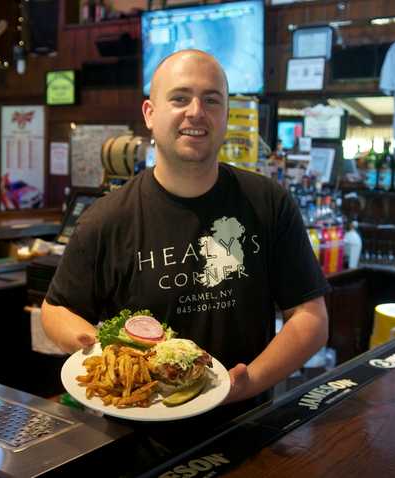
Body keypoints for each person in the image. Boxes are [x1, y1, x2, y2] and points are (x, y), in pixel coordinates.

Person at [42, 49, 330, 404]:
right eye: (179, 98)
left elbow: (310, 318)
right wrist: (95, 346)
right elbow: (56, 309)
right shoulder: (106, 218)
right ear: (150, 113)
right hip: (139, 432)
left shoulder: (268, 201)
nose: (196, 112)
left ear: (225, 115)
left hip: (247, 425)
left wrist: (248, 382)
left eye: (212, 100)